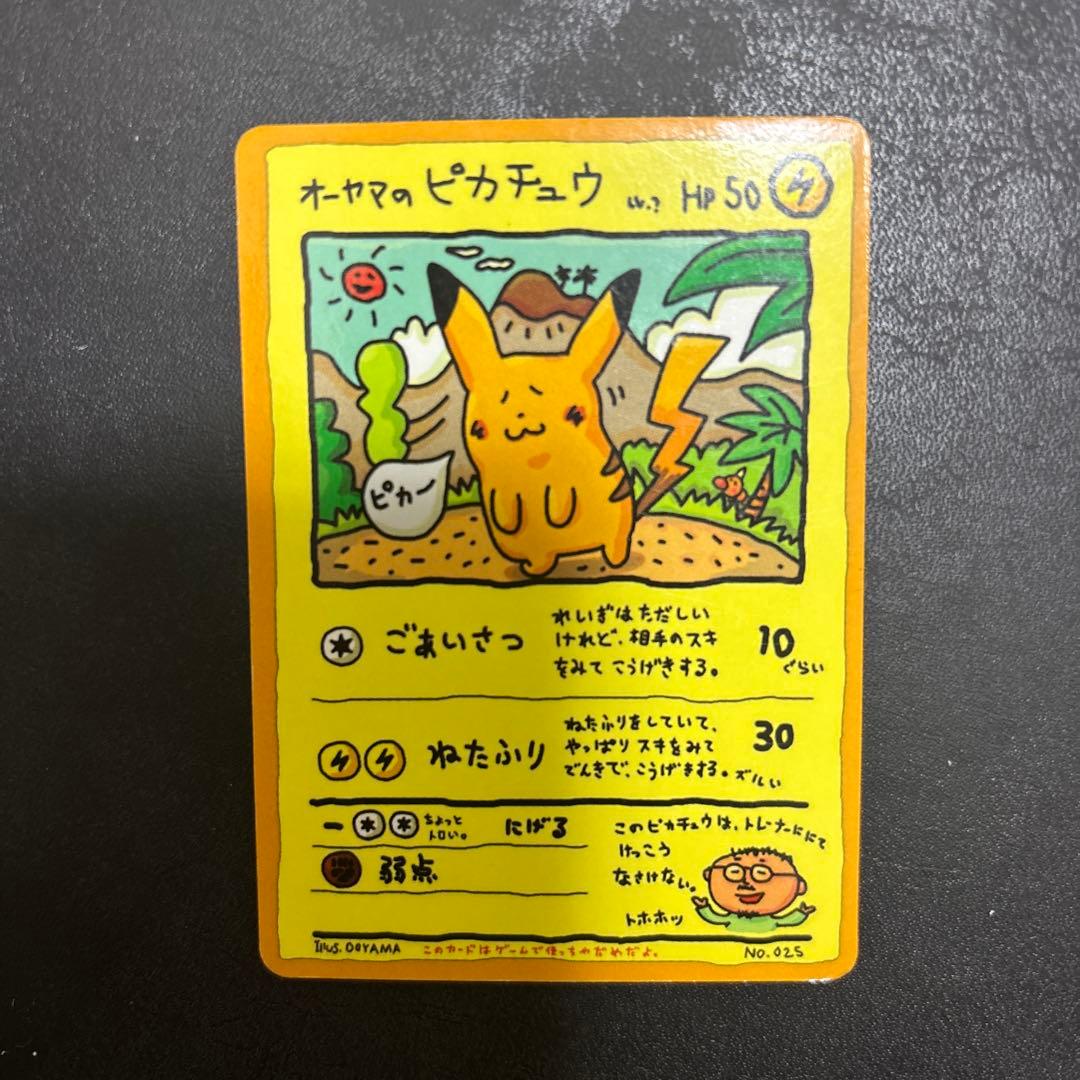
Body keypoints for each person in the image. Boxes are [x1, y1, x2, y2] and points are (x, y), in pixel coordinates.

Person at [693, 847, 815, 932]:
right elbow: (715, 918)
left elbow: (787, 920)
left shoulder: (770, 921)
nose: (746, 882)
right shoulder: (731, 919)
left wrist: (802, 913)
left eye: (761, 873)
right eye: (734, 872)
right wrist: (703, 907)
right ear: (709, 875)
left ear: (799, 887)